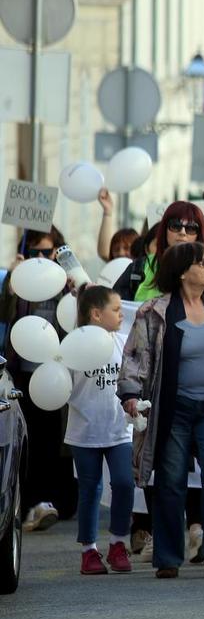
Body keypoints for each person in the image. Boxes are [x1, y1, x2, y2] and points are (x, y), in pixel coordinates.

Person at [119, 241, 204, 578]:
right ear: (182, 272)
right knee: (171, 479)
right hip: (173, 408)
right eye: (202, 263)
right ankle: (167, 558)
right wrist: (131, 394)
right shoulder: (155, 311)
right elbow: (135, 355)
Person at [3, 227, 74, 531]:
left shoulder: (64, 286)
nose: (41, 259)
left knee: (49, 443)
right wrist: (12, 284)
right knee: (24, 439)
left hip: (54, 377)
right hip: (22, 375)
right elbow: (4, 318)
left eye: (48, 252)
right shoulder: (16, 283)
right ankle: (28, 503)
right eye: (35, 254)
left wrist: (73, 288)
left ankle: (46, 502)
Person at [67, 286, 135, 575]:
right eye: (116, 310)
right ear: (96, 313)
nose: (121, 315)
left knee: (123, 483)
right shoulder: (71, 345)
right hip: (84, 431)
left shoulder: (122, 342)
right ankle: (88, 550)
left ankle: (119, 542)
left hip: (119, 429)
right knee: (89, 488)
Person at [114, 201, 204, 301]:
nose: (182, 232)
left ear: (199, 234)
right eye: (175, 226)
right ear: (164, 230)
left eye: (191, 228)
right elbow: (115, 308)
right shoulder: (138, 267)